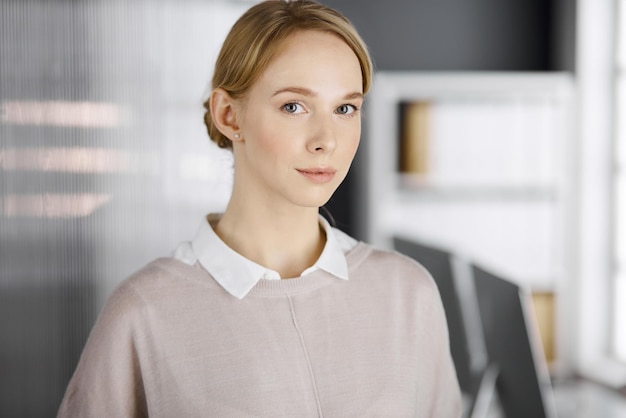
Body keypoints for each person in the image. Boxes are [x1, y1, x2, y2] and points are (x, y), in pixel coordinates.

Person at [57, 0, 462, 416]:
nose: (327, 139)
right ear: (229, 115)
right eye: (294, 106)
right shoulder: (144, 312)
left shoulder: (407, 294)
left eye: (345, 108)